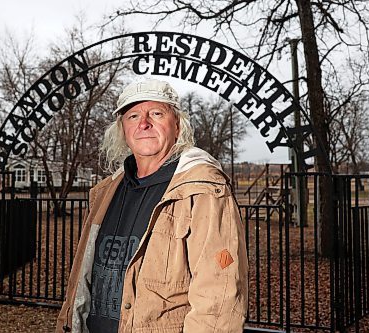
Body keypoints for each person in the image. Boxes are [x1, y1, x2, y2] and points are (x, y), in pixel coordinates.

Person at [56, 78, 248, 333]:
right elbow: (81, 287)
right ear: (123, 129)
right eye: (133, 116)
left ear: (177, 126)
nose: (144, 123)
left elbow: (219, 297)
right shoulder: (105, 192)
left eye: (156, 113)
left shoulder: (202, 191)